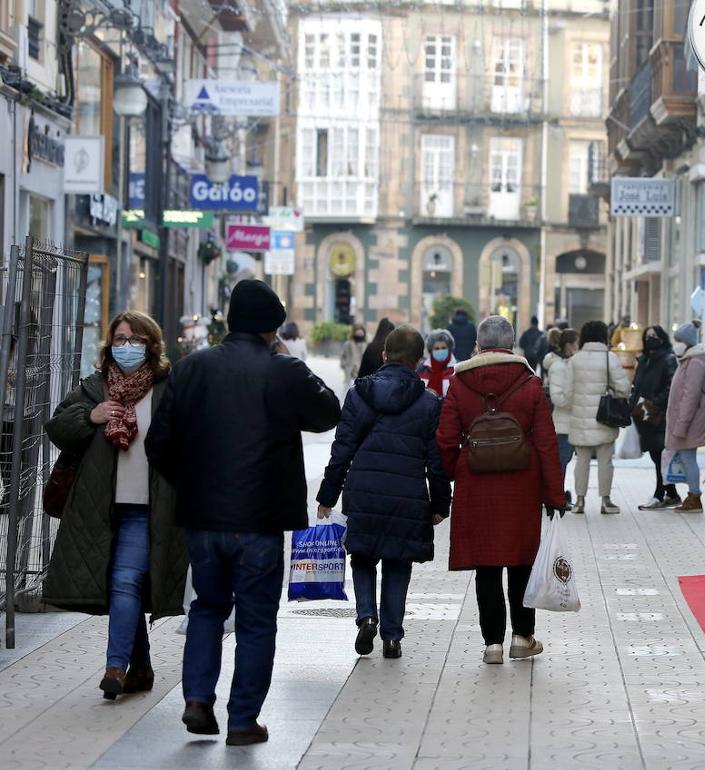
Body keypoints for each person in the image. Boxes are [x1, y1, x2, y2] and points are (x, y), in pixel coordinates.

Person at [146, 279, 340, 746]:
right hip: (261, 521)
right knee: (256, 620)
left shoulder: (191, 369)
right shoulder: (284, 371)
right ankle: (242, 721)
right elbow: (328, 412)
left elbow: (158, 444)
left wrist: (192, 485)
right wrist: (294, 365)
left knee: (207, 609)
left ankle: (196, 699)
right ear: (273, 326)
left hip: (203, 519)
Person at [43, 310, 187, 701]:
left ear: (151, 346)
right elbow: (58, 427)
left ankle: (115, 667)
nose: (127, 347)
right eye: (120, 339)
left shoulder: (167, 389)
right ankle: (140, 667)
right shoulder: (95, 387)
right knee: (126, 585)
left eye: (135, 340)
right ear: (110, 345)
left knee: (124, 581)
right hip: (103, 509)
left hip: (147, 508)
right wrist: (91, 416)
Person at [317, 324, 451, 660]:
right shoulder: (428, 402)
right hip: (407, 492)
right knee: (398, 561)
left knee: (362, 555)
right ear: (419, 361)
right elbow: (436, 460)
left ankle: (367, 616)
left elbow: (342, 449)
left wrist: (327, 495)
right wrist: (440, 503)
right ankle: (392, 636)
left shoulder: (358, 394)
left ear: (384, 355)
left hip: (362, 490)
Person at [436, 316, 564, 664]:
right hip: (522, 486)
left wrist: (455, 472)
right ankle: (522, 637)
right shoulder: (530, 383)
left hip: (476, 485)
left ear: (478, 343)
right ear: (511, 345)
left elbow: (446, 439)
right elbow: (546, 443)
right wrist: (554, 494)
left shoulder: (460, 382)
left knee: (486, 564)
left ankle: (492, 643)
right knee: (522, 561)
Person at [551, 320, 631, 515]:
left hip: (579, 419)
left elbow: (568, 394)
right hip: (605, 418)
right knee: (605, 461)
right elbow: (623, 388)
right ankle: (605, 501)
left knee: (582, 461)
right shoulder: (609, 358)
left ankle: (579, 501)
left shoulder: (575, 360)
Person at [665, 322, 705, 512]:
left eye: (678, 340)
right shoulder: (688, 360)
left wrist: (681, 425)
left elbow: (690, 398)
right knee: (686, 458)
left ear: (687, 342)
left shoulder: (695, 363)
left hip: (690, 422)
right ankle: (693, 496)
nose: (676, 344)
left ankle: (695, 496)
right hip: (686, 421)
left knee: (688, 458)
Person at [630, 325, 679, 509]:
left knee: (659, 454)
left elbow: (671, 386)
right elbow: (637, 384)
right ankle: (672, 494)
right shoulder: (644, 360)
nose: (650, 338)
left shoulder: (668, 359)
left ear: (662, 337)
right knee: (655, 454)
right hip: (644, 414)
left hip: (660, 415)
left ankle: (660, 494)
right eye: (647, 335)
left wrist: (655, 403)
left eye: (654, 335)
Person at [542, 328, 578, 501]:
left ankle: (556, 494)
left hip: (573, 421)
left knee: (564, 460)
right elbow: (558, 398)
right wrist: (578, 400)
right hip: (563, 423)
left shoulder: (573, 364)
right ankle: (555, 495)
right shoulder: (558, 367)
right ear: (569, 345)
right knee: (561, 461)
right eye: (577, 344)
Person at [417, 328, 457, 398]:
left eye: (443, 348)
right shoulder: (422, 368)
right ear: (431, 350)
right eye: (437, 348)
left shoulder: (456, 369)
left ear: (449, 349)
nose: (440, 350)